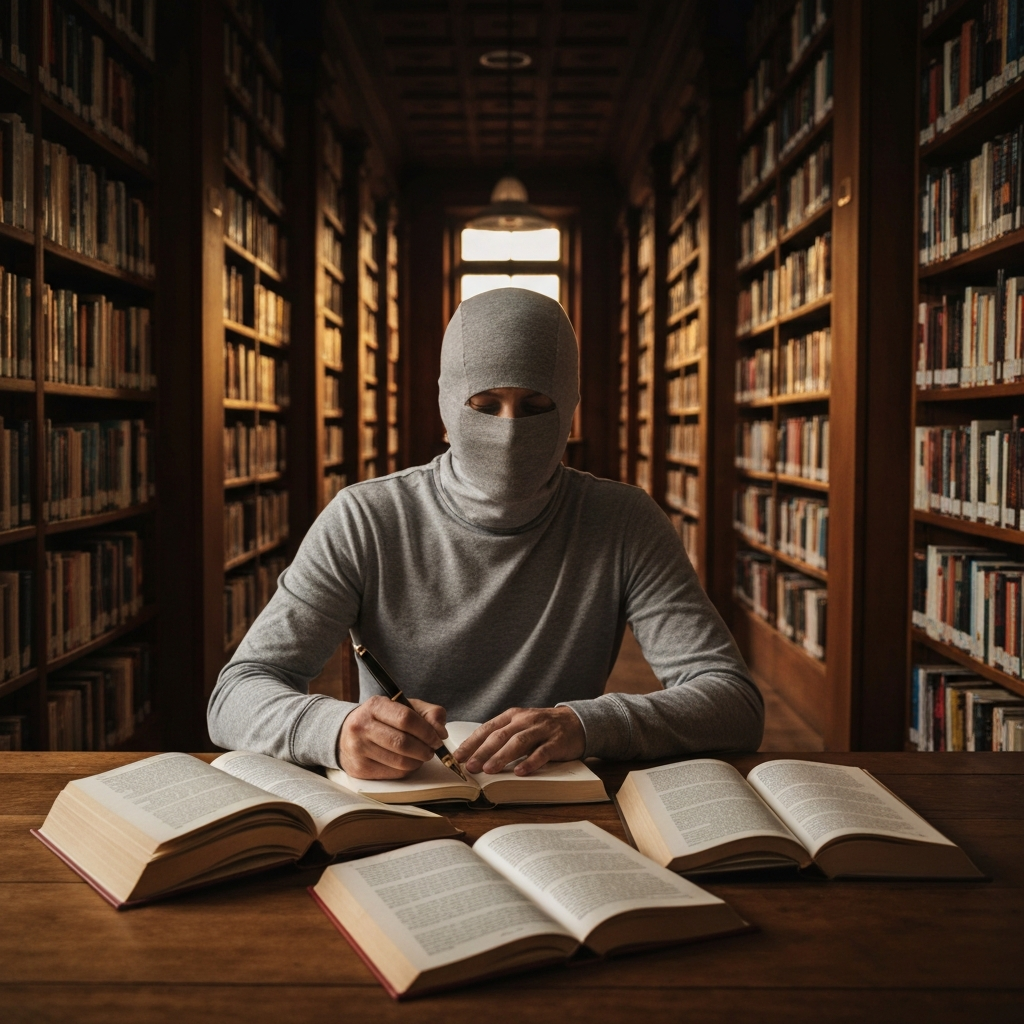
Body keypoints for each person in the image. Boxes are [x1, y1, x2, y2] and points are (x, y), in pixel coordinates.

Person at [208, 287, 763, 778]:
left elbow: (732, 701)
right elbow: (236, 691)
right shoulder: (365, 517)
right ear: (449, 409)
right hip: (400, 800)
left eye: (535, 405)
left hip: (555, 805)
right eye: (484, 404)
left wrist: (588, 724)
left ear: (569, 408)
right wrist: (332, 729)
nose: (509, 430)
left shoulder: (623, 522)